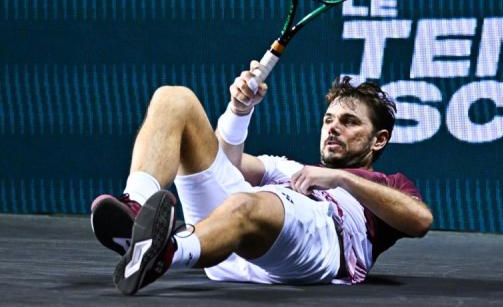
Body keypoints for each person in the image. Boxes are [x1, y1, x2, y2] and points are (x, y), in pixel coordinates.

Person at [90, 61, 433, 295]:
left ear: (379, 140)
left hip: (320, 246)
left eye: (349, 121)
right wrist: (240, 111)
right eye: (329, 120)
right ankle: (136, 210)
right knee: (173, 99)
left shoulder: (388, 184)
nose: (334, 128)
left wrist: (340, 180)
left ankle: (167, 252)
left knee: (247, 202)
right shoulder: (290, 168)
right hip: (231, 250)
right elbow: (228, 165)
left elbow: (420, 221)